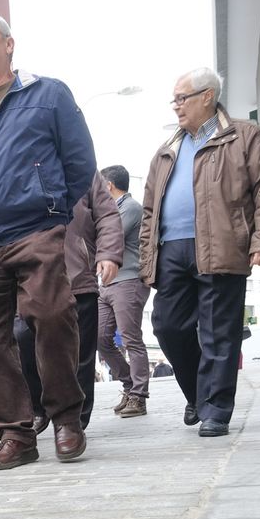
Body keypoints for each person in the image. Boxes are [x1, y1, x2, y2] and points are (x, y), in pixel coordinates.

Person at [0, 12, 96, 470]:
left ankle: (66, 418)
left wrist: (52, 208)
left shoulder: (48, 96)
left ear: (8, 44)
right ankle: (16, 434)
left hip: (35, 230)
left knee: (51, 316)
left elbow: (80, 162)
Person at [140, 67, 260, 436]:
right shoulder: (167, 150)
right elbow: (149, 211)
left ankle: (216, 410)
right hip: (171, 249)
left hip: (223, 243)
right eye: (174, 100)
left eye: (182, 98)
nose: (176, 106)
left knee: (219, 331)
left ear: (208, 96)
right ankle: (198, 394)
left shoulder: (244, 136)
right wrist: (147, 258)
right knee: (167, 327)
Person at [12, 177, 122, 433]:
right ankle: (38, 409)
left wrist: (108, 253)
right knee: (23, 339)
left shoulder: (83, 170)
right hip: (29, 277)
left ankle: (75, 421)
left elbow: (107, 215)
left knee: (81, 355)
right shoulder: (15, 166)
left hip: (77, 276)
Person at [98, 164, 153, 417]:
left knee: (131, 339)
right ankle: (129, 385)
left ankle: (139, 396)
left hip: (128, 281)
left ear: (108, 186)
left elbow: (110, 237)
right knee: (100, 338)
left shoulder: (130, 208)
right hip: (107, 284)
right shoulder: (110, 211)